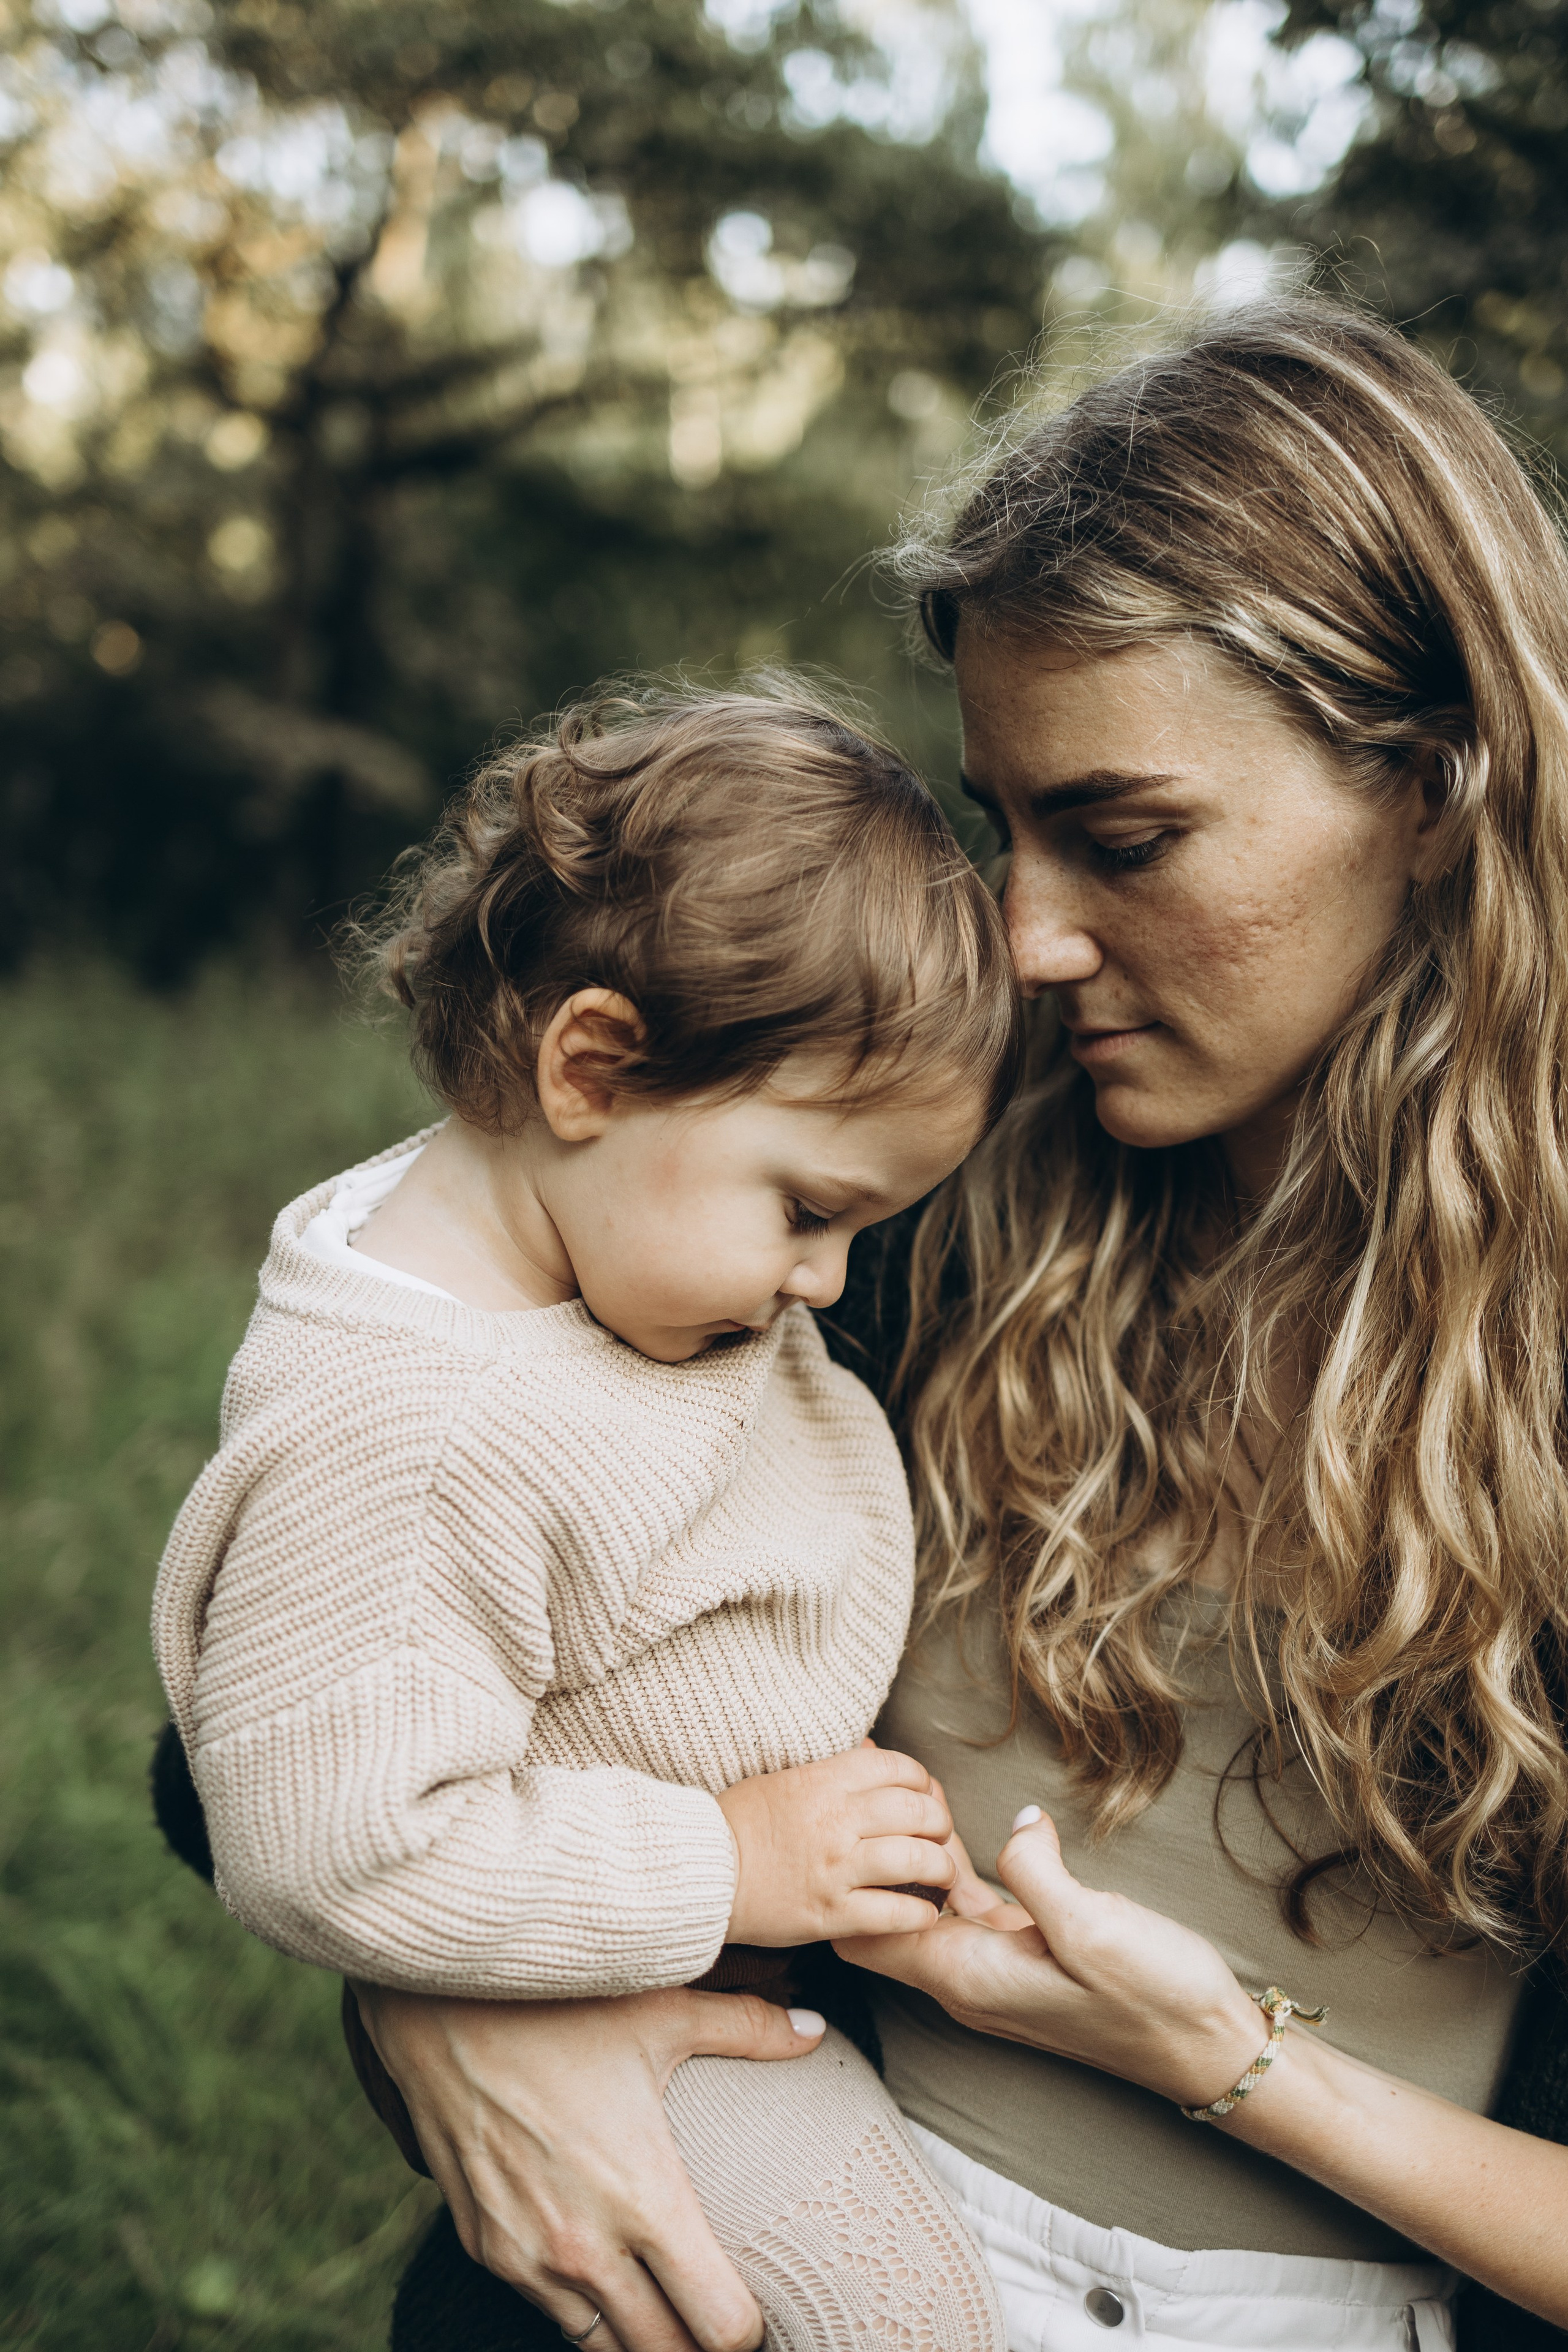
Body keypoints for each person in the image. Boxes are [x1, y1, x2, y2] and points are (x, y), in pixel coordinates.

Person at [306, 303, 1568, 2352]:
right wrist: (448, 2003)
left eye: (1128, 837)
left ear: (1433, 784)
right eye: (1005, 826)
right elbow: (307, 1666)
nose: (1032, 935)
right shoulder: (896, 1208)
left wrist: (1236, 2069)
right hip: (786, 2242)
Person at [150, 684, 1023, 2352]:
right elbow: (334, 1837)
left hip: (733, 1952)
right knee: (904, 2318)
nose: (827, 1285)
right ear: (594, 1066)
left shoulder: (599, 1241)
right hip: (631, 1983)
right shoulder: (417, 1423)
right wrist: (737, 1859)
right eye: (811, 1213)